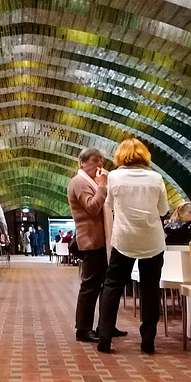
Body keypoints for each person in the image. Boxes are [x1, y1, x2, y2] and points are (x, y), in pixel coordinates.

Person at [96, 139, 169, 355]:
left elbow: (109, 204)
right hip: (152, 241)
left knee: (112, 286)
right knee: (150, 288)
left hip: (124, 238)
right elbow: (163, 209)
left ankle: (105, 337)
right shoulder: (156, 178)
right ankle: (148, 340)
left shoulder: (114, 177)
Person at [67, 147, 126, 344]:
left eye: (101, 161)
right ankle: (83, 329)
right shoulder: (79, 182)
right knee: (90, 286)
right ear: (82, 162)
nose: (100, 165)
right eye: (95, 161)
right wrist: (102, 187)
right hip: (92, 242)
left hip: (104, 241)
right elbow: (92, 208)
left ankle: (105, 326)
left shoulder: (91, 181)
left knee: (104, 285)